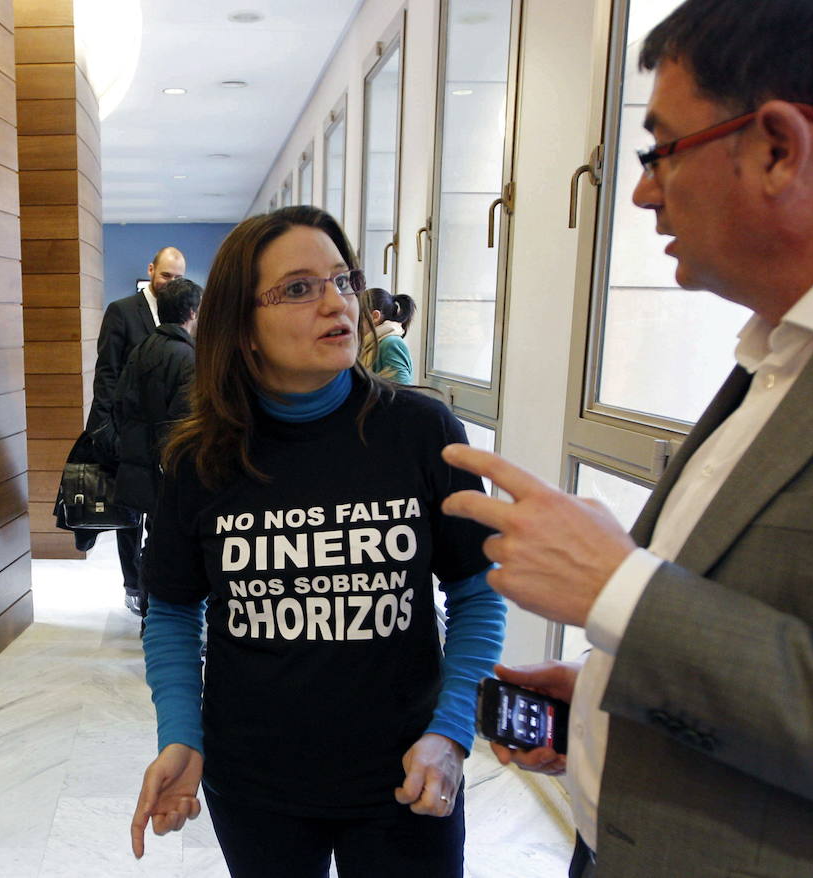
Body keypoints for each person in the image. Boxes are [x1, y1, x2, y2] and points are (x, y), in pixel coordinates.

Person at [441, 1, 813, 875]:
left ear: (776, 146)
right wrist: (613, 697)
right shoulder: (786, 339)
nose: (643, 189)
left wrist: (622, 594)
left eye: (661, 149)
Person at [128, 206, 507, 877]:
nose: (336, 303)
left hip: (405, 778)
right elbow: (175, 609)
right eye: (299, 288)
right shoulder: (201, 457)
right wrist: (180, 734)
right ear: (242, 327)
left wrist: (451, 734)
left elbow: (477, 593)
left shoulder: (419, 431)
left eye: (342, 279)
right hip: (256, 784)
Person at [89, 246, 187, 614]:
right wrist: (107, 431)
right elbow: (107, 373)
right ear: (151, 271)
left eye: (177, 277)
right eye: (165, 276)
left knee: (160, 517)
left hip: (165, 436)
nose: (170, 283)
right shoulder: (122, 312)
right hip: (127, 431)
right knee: (128, 516)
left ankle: (151, 587)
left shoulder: (184, 314)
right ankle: (133, 584)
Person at [107, 276, 203, 616]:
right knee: (168, 546)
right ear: (192, 312)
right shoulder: (187, 358)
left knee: (151, 539)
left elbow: (118, 404)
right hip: (168, 469)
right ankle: (157, 615)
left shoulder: (140, 351)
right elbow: (184, 422)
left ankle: (147, 606)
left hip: (137, 462)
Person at [359, 287, 415, 384]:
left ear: (375, 317)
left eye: (359, 316)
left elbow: (402, 392)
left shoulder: (391, 344)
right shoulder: (369, 344)